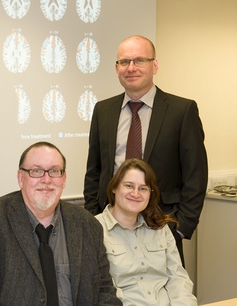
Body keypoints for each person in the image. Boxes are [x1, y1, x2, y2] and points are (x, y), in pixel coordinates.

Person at [84, 35, 208, 265]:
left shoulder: (182, 111)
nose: (131, 68)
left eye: (140, 60)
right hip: (110, 228)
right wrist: (94, 218)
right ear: (116, 68)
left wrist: (180, 228)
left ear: (155, 65)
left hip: (162, 227)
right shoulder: (103, 110)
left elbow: (196, 176)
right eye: (124, 62)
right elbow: (94, 171)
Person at [0, 141, 122, 306]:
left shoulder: (88, 224)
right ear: (20, 178)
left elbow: (106, 293)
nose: (46, 179)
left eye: (54, 171)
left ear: (64, 179)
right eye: (36, 171)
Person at [95, 158, 197, 305]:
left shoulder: (160, 227)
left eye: (143, 188)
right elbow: (101, 291)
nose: (136, 194)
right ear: (114, 187)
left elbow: (178, 279)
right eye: (129, 186)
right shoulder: (95, 229)